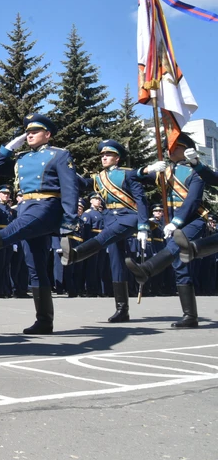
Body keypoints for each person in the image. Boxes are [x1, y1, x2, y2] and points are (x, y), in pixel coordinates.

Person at [0, 113, 78, 335]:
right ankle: (44, 320)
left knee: (12, 232)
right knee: (35, 266)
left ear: (47, 135)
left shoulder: (59, 155)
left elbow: (70, 188)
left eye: (35, 131)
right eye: (27, 132)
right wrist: (8, 148)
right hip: (27, 207)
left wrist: (69, 219)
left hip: (46, 206)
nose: (29, 134)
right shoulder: (23, 158)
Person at [60, 139, 149, 322]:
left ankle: (76, 254)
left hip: (128, 216)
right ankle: (122, 309)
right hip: (110, 218)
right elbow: (82, 184)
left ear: (117, 158)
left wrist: (143, 225)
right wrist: (66, 167)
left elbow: (141, 200)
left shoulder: (128, 174)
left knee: (105, 237)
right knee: (116, 263)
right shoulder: (99, 177)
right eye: (102, 155)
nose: (104, 158)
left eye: (108, 155)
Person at [128, 135, 207, 327]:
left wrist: (177, 222)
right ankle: (190, 316)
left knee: (174, 248)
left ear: (187, 149)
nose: (171, 150)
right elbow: (130, 177)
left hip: (193, 220)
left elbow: (193, 200)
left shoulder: (194, 172)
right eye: (169, 147)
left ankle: (147, 269)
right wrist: (147, 169)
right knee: (179, 266)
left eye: (176, 147)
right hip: (171, 223)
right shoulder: (163, 172)